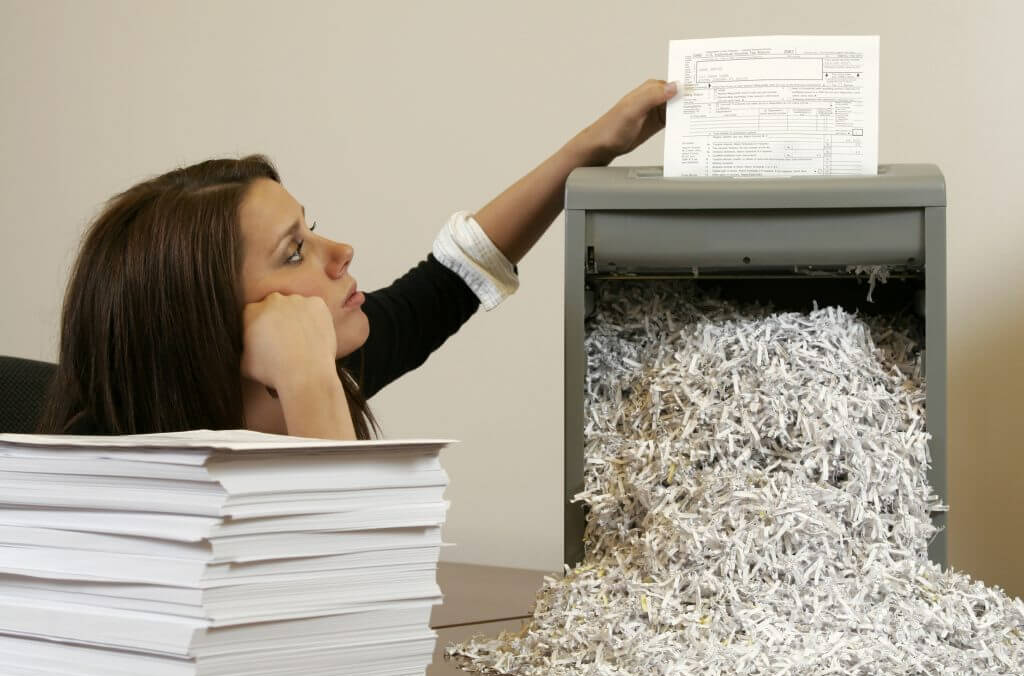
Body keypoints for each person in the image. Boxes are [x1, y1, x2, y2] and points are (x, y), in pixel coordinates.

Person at [38, 80, 678, 439]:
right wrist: (308, 381)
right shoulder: (108, 488)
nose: (341, 253)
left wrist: (598, 144)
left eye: (310, 230)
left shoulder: (323, 365)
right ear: (202, 322)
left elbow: (451, 278)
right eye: (295, 252)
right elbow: (342, 582)